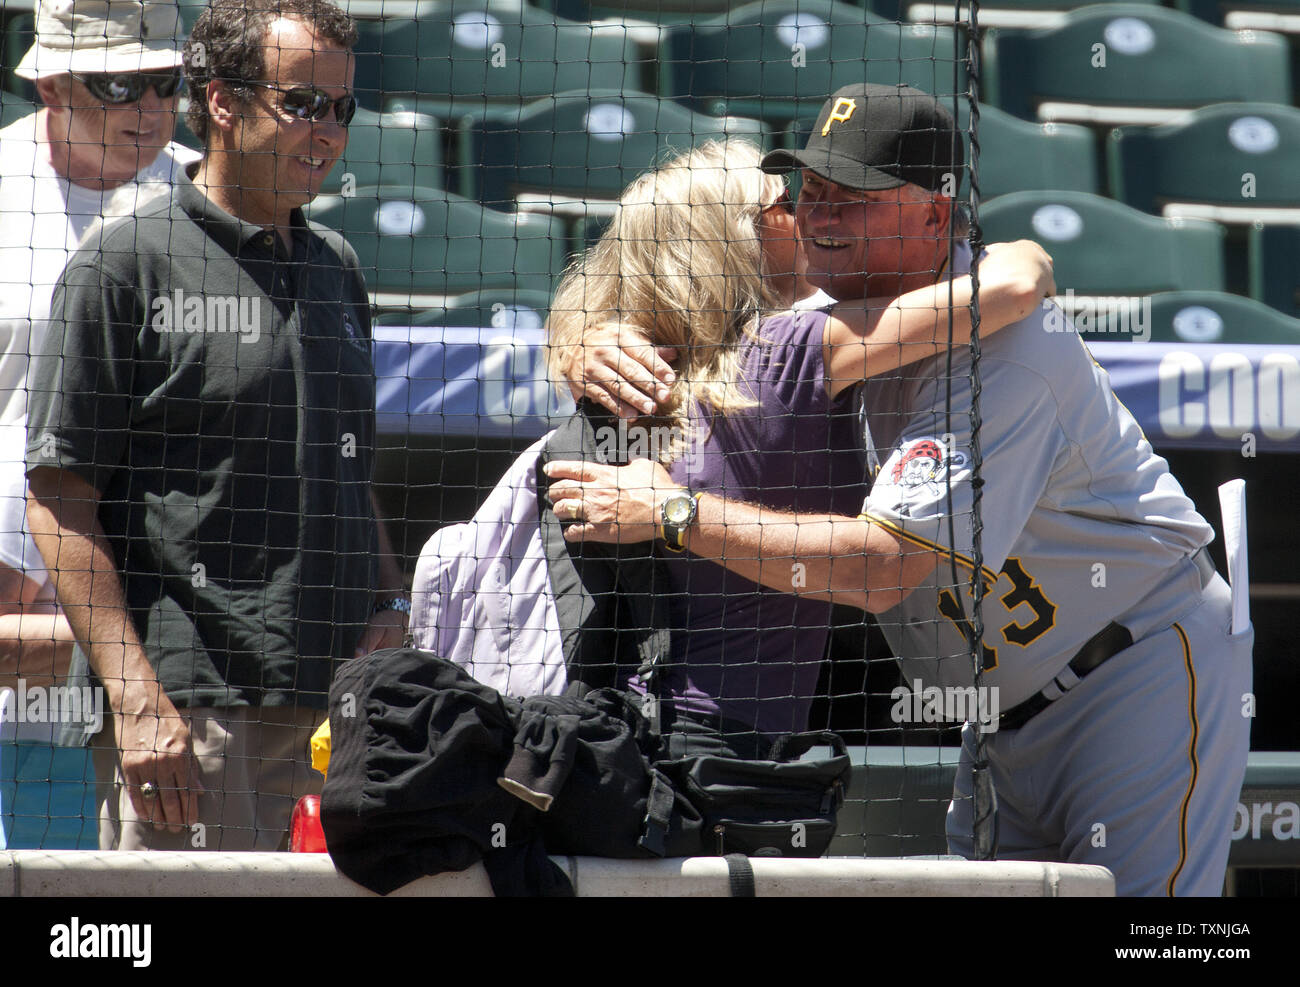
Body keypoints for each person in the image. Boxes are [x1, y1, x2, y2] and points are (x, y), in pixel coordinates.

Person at [545, 84, 1252, 895]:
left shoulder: (1005, 353)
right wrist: (588, 336)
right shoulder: (827, 306)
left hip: (1131, 666)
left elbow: (882, 571)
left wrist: (675, 513)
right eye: (811, 191)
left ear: (933, 219)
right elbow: (668, 284)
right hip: (996, 715)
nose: (822, 216)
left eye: (855, 198)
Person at [23, 0, 407, 852]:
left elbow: (349, 471)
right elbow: (58, 496)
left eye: (342, 108)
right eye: (302, 103)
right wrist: (134, 698)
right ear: (223, 102)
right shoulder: (122, 263)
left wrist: (390, 601)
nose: (328, 132)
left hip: (334, 718)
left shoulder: (337, 268)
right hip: (191, 722)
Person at [540, 138, 1053, 754]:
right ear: (728, 242)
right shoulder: (794, 348)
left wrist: (579, 332)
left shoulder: (618, 378)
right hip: (722, 751)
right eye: (785, 204)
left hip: (616, 730)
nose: (810, 216)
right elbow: (1017, 286)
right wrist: (1025, 250)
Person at [0, 0, 198, 849]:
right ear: (49, 79)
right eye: (118, 83)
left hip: (143, 710)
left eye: (163, 81)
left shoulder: (212, 201)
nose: (147, 110)